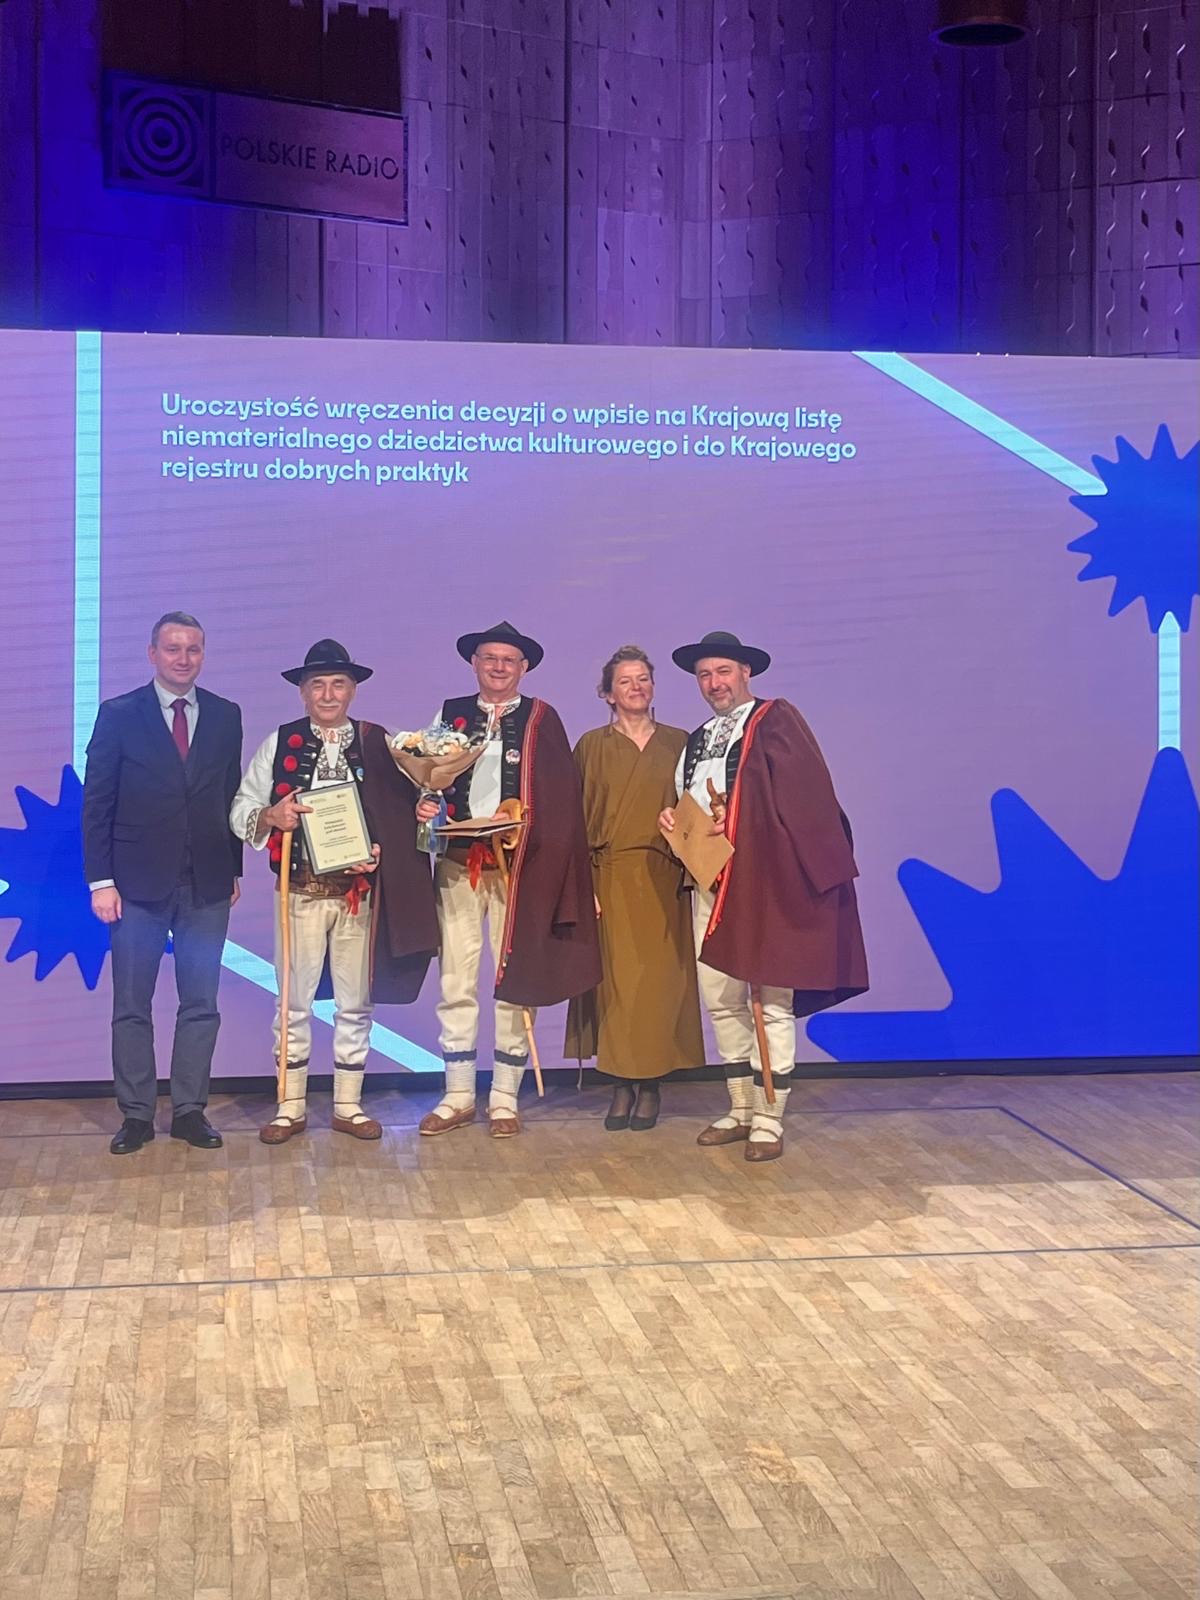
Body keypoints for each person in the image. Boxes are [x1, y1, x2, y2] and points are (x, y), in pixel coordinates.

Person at [659, 630, 868, 1162]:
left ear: (745, 673)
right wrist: (675, 819)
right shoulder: (697, 739)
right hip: (707, 881)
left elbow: (803, 793)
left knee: (770, 999)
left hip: (762, 881)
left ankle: (770, 1117)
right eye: (705, 675)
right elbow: (691, 800)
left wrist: (741, 819)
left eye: (723, 672)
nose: (714, 683)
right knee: (722, 996)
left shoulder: (774, 719)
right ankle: (740, 1108)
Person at [230, 639, 438, 1143]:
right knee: (293, 1002)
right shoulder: (280, 742)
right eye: (317, 685)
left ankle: (347, 1104)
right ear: (303, 692)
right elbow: (240, 809)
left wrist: (409, 823)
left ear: (353, 691)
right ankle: (290, 1106)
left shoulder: (377, 743)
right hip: (299, 891)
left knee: (355, 1002)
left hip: (357, 896)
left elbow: (402, 811)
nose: (327, 694)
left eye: (338, 684)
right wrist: (271, 815)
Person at [419, 620, 600, 1138]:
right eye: (489, 658)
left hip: (519, 870)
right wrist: (427, 803)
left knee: (514, 977)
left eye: (508, 660)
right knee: (456, 978)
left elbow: (560, 799)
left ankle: (504, 1096)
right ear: (474, 663)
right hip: (459, 862)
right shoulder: (450, 715)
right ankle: (457, 1094)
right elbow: (428, 777)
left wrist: (528, 828)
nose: (498, 667)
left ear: (523, 668)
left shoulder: (542, 718)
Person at [82, 611, 243, 1155]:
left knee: (201, 1002)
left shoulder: (225, 714)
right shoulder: (118, 714)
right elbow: (97, 803)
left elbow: (230, 795)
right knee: (132, 1004)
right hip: (135, 887)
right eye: (172, 648)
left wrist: (233, 867)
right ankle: (136, 1115)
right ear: (153, 653)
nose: (183, 658)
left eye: (192, 649)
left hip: (206, 885)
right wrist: (100, 881)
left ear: (203, 654)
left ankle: (190, 1111)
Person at [565, 646, 704, 1129]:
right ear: (608, 693)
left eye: (643, 678)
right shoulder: (591, 746)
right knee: (617, 987)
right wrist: (581, 886)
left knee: (657, 984)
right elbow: (573, 820)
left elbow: (698, 808)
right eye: (625, 681)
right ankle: (621, 1085)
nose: (636, 687)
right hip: (608, 876)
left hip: (664, 878)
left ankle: (651, 1086)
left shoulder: (680, 742)